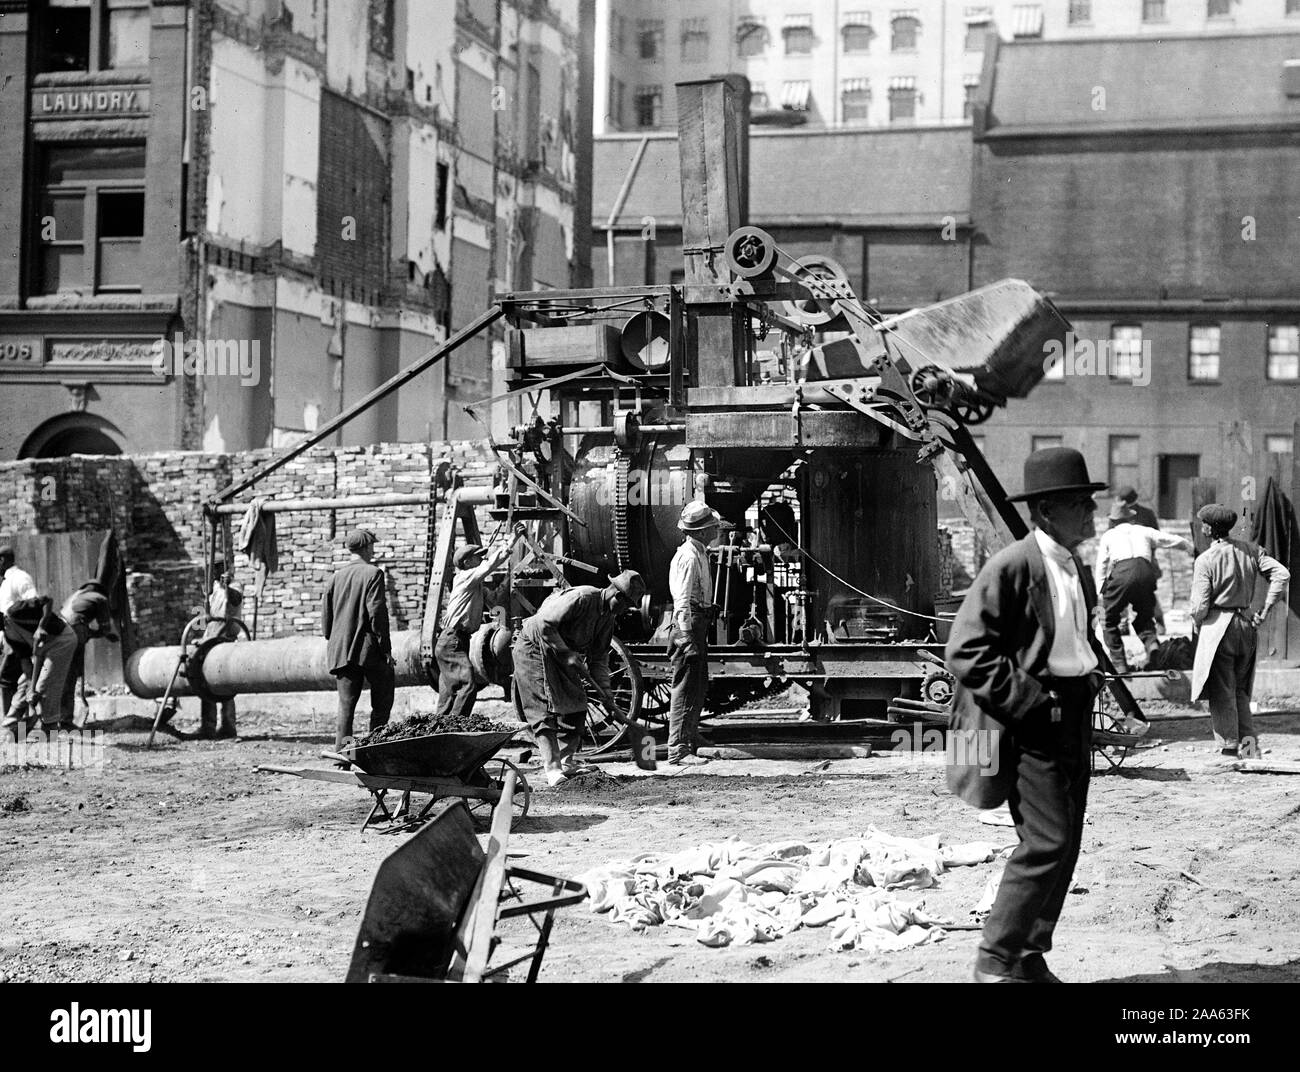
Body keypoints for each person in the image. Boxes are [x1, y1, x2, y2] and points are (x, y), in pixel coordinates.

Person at [945, 447, 1109, 983]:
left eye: (1088, 500)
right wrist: (1031, 703)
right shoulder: (1014, 564)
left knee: (1067, 841)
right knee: (1046, 841)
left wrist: (1086, 678)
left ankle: (1027, 954)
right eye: (1077, 503)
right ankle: (993, 963)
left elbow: (1069, 640)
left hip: (1073, 714)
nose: (1090, 511)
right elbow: (965, 651)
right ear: (1044, 511)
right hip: (1033, 720)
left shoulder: (1075, 563)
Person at [513, 570, 647, 787]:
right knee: (543, 710)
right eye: (626, 604)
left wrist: (606, 693)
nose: (625, 611)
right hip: (534, 648)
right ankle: (553, 768)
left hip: (561, 655)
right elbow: (543, 623)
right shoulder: (582, 598)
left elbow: (599, 660)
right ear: (616, 595)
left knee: (576, 704)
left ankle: (566, 762)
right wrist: (566, 653)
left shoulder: (607, 619)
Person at [1189, 504, 1290, 758]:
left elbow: (1200, 605)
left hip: (1219, 629)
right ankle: (1249, 746)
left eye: (1203, 524)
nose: (1202, 527)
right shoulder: (1251, 550)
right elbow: (1282, 574)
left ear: (1210, 529)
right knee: (1241, 690)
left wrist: (1196, 621)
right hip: (1245, 626)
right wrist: (1266, 609)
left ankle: (1229, 747)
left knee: (1222, 689)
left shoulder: (1206, 560)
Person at [435, 526, 524, 722]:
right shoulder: (465, 578)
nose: (482, 559)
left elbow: (494, 601)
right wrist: (512, 540)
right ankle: (455, 727)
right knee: (467, 685)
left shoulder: (474, 587)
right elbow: (490, 565)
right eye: (478, 557)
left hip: (455, 641)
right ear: (467, 563)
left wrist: (511, 577)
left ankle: (439, 730)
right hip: (453, 640)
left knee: (449, 691)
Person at [1094, 502, 1193, 672]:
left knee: (1108, 620)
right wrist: (1188, 546)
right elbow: (1169, 539)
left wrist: (1101, 591)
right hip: (1146, 572)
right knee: (1144, 615)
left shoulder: (1109, 536)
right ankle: (1152, 645)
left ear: (1113, 521)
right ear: (1130, 518)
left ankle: (1119, 664)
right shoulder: (1143, 530)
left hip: (1122, 572)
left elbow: (1101, 565)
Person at [321, 528, 394, 753]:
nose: (373, 550)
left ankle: (345, 753)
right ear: (366, 547)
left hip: (341, 650)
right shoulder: (373, 573)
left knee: (346, 706)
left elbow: (326, 621)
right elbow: (377, 615)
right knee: (382, 700)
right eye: (372, 546)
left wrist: (335, 639)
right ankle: (374, 750)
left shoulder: (335, 577)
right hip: (368, 650)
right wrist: (386, 650)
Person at [667, 502, 729, 766]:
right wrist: (686, 636)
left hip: (698, 619)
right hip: (688, 623)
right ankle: (677, 750)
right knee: (684, 685)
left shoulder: (700, 552)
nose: (717, 528)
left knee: (698, 683)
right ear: (702, 531)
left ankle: (689, 737)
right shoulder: (689, 557)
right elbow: (681, 602)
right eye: (713, 526)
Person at [59, 580, 119, 727]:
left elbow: (72, 622)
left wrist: (89, 634)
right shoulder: (100, 599)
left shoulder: (76, 596)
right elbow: (105, 628)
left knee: (63, 676)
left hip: (60, 630)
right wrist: (106, 634)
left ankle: (56, 717)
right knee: (70, 677)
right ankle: (65, 720)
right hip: (75, 632)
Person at [194, 573, 244, 739]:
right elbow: (207, 609)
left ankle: (228, 725)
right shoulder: (212, 587)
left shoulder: (235, 586)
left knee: (225, 682)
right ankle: (208, 726)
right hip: (211, 637)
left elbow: (236, 599)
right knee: (205, 682)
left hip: (226, 637)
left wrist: (227, 587)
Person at [0, 543, 38, 721]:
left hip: (18, 638)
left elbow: (33, 604)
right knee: (13, 680)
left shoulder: (20, 577)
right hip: (8, 637)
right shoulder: (6, 581)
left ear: (2, 560)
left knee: (8, 679)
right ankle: (17, 722)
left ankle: (12, 722)